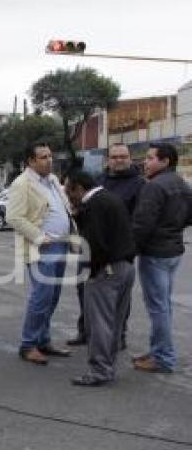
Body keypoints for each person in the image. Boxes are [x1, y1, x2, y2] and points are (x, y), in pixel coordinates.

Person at [69, 143, 145, 347]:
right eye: (114, 156)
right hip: (90, 246)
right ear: (107, 160)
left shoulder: (139, 184)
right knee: (83, 289)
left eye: (123, 156)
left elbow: (140, 219)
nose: (119, 160)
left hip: (117, 252)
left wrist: (130, 247)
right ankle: (86, 330)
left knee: (118, 296)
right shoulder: (100, 181)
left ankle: (118, 336)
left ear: (130, 158)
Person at [65, 170, 136, 386]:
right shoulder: (109, 198)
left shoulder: (94, 205)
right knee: (114, 321)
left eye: (69, 191)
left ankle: (100, 370)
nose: (68, 196)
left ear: (78, 187)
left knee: (99, 323)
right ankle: (107, 364)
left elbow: (94, 244)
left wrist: (91, 272)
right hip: (124, 266)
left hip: (105, 270)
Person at [6, 142, 75, 365]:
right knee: (42, 296)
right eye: (43, 157)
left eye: (50, 156)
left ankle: (43, 339)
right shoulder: (22, 183)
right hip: (42, 247)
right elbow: (14, 218)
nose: (49, 160)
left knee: (52, 296)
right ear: (31, 162)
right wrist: (39, 237)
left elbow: (62, 207)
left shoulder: (53, 180)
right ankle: (28, 344)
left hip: (61, 244)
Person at [130, 143, 192, 373]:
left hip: (155, 253)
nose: (145, 162)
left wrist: (130, 251)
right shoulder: (182, 184)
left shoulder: (154, 187)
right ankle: (159, 350)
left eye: (150, 158)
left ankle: (163, 358)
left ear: (165, 161)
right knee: (163, 305)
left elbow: (142, 224)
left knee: (158, 307)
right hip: (173, 251)